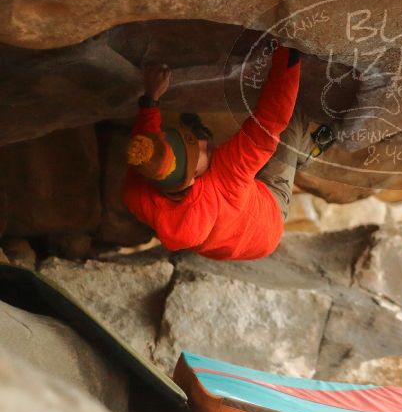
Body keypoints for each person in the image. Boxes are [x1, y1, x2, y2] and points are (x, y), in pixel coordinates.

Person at [122, 45, 331, 260]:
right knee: (292, 117)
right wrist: (287, 50)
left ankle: (200, 135)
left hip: (226, 239)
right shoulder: (225, 177)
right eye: (197, 148)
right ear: (194, 177)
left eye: (193, 141)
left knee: (221, 157)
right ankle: (306, 154)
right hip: (268, 221)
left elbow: (148, 150)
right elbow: (271, 120)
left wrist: (151, 98)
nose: (202, 144)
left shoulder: (136, 193)